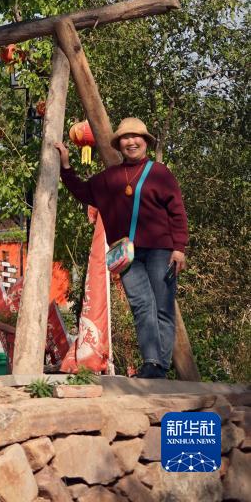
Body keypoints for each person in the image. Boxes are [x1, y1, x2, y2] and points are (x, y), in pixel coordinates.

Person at [56, 117, 188, 379]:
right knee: (141, 306)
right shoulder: (110, 178)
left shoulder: (160, 173)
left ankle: (159, 365)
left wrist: (179, 248)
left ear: (145, 142)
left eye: (136, 137)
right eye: (125, 138)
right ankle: (151, 362)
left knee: (162, 306)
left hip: (161, 250)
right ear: (119, 144)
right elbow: (83, 192)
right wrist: (66, 166)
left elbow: (177, 212)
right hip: (127, 256)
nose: (131, 142)